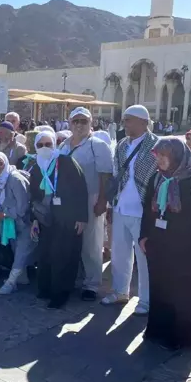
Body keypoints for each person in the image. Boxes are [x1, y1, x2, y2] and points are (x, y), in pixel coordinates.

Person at [139, 138, 191, 350]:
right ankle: (158, 331)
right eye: (158, 155)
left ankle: (182, 336)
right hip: (159, 247)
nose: (161, 160)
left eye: (165, 155)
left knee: (183, 293)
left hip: (187, 250)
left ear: (177, 156)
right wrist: (144, 236)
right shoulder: (157, 178)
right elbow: (147, 210)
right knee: (161, 288)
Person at [101, 105, 159, 316]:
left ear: (144, 122)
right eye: (124, 120)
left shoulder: (157, 145)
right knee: (119, 253)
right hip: (121, 207)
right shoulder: (122, 145)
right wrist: (111, 205)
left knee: (144, 259)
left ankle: (146, 301)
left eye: (129, 120)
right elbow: (118, 175)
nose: (125, 124)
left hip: (143, 211)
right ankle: (119, 292)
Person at [59, 107, 113, 301]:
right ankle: (75, 277)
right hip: (67, 201)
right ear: (70, 123)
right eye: (76, 121)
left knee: (91, 243)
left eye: (84, 121)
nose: (79, 125)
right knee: (71, 240)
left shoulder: (97, 145)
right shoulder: (64, 144)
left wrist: (102, 201)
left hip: (91, 198)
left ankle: (91, 284)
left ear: (91, 123)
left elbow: (105, 175)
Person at [30, 131, 88, 308]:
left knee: (62, 255)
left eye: (48, 144)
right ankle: (45, 288)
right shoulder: (36, 165)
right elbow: (33, 195)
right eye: (40, 145)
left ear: (55, 144)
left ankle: (60, 293)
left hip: (67, 215)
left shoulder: (66, 162)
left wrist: (81, 217)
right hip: (46, 217)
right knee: (46, 253)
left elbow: (80, 189)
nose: (44, 148)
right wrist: (34, 219)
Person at [0, 152, 34, 295]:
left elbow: (23, 206)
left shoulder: (15, 179)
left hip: (25, 222)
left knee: (21, 252)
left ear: (6, 163)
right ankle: (21, 278)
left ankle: (11, 282)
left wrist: (3, 214)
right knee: (17, 250)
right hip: (10, 223)